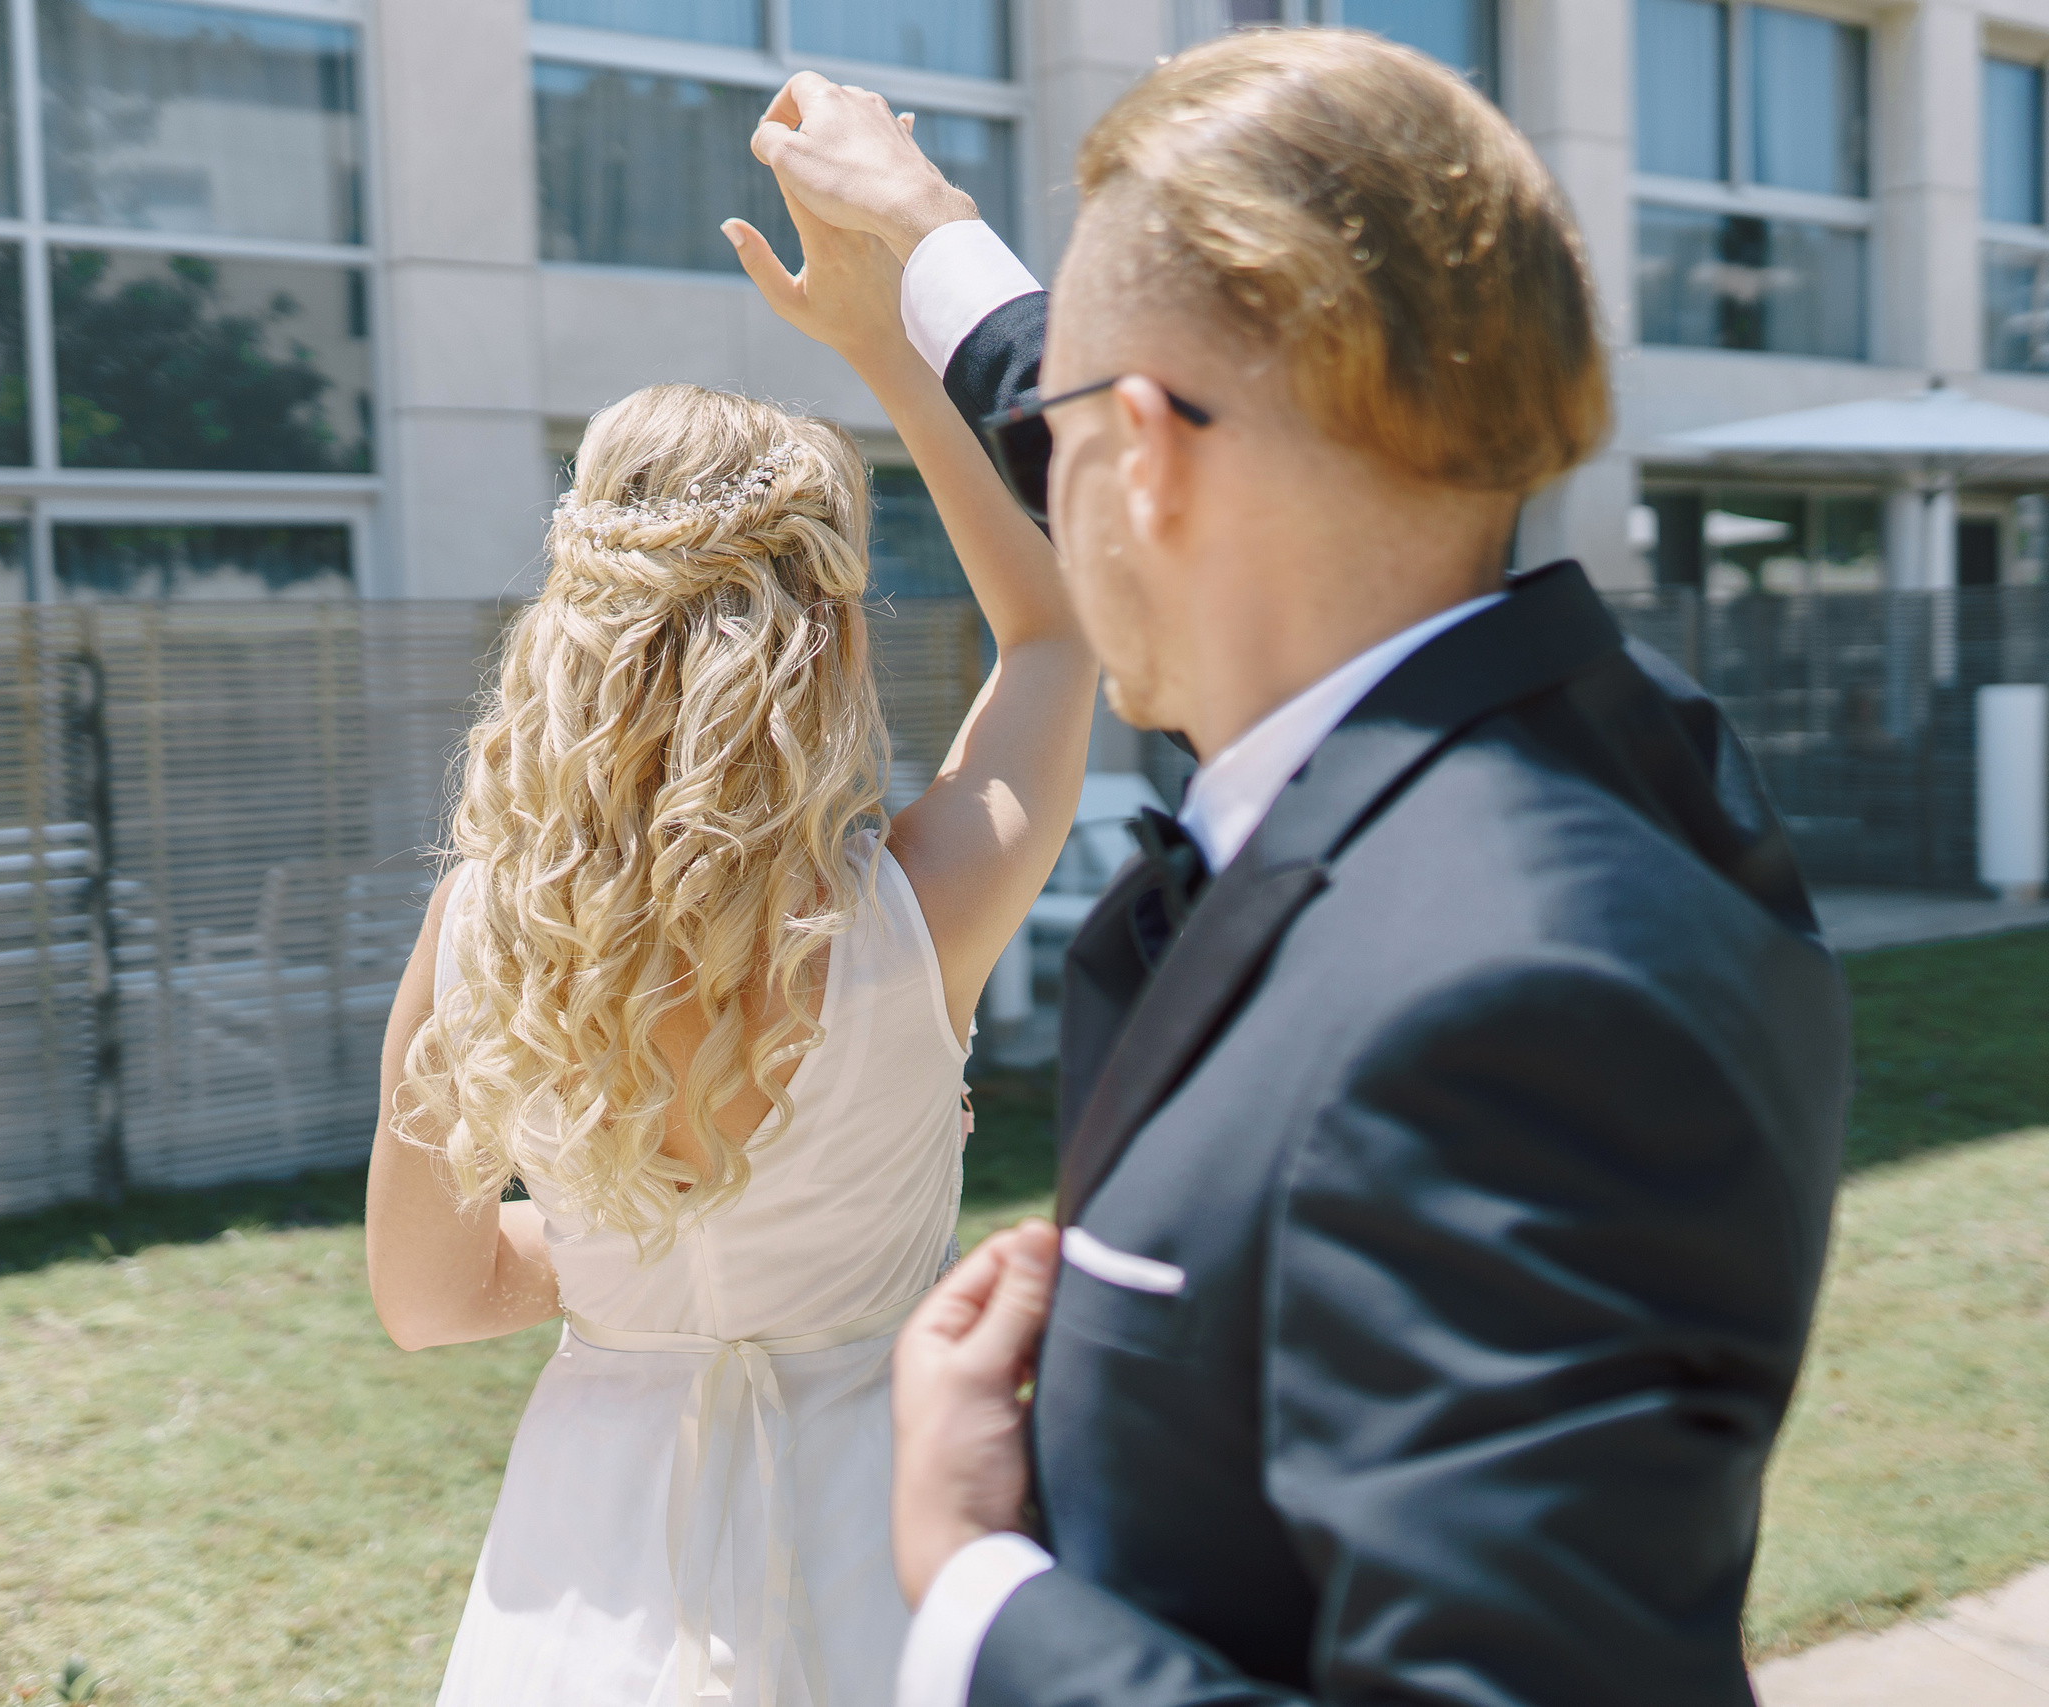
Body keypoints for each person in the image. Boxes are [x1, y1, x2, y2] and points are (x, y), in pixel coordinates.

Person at [749, 28, 1852, 1707]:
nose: (1052, 457)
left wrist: (977, 1590)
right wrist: (920, 236)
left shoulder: (1514, 1008)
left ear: (1154, 458)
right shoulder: (1612, 742)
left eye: (1069, 428)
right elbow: (1135, 402)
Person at [363, 194, 1098, 1702]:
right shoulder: (920, 912)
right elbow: (1055, 630)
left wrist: (612, 1277)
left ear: (577, 617)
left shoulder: (485, 928)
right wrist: (894, 349)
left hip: (589, 1573)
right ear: (821, 633)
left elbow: (427, 1300)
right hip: (890, 1547)